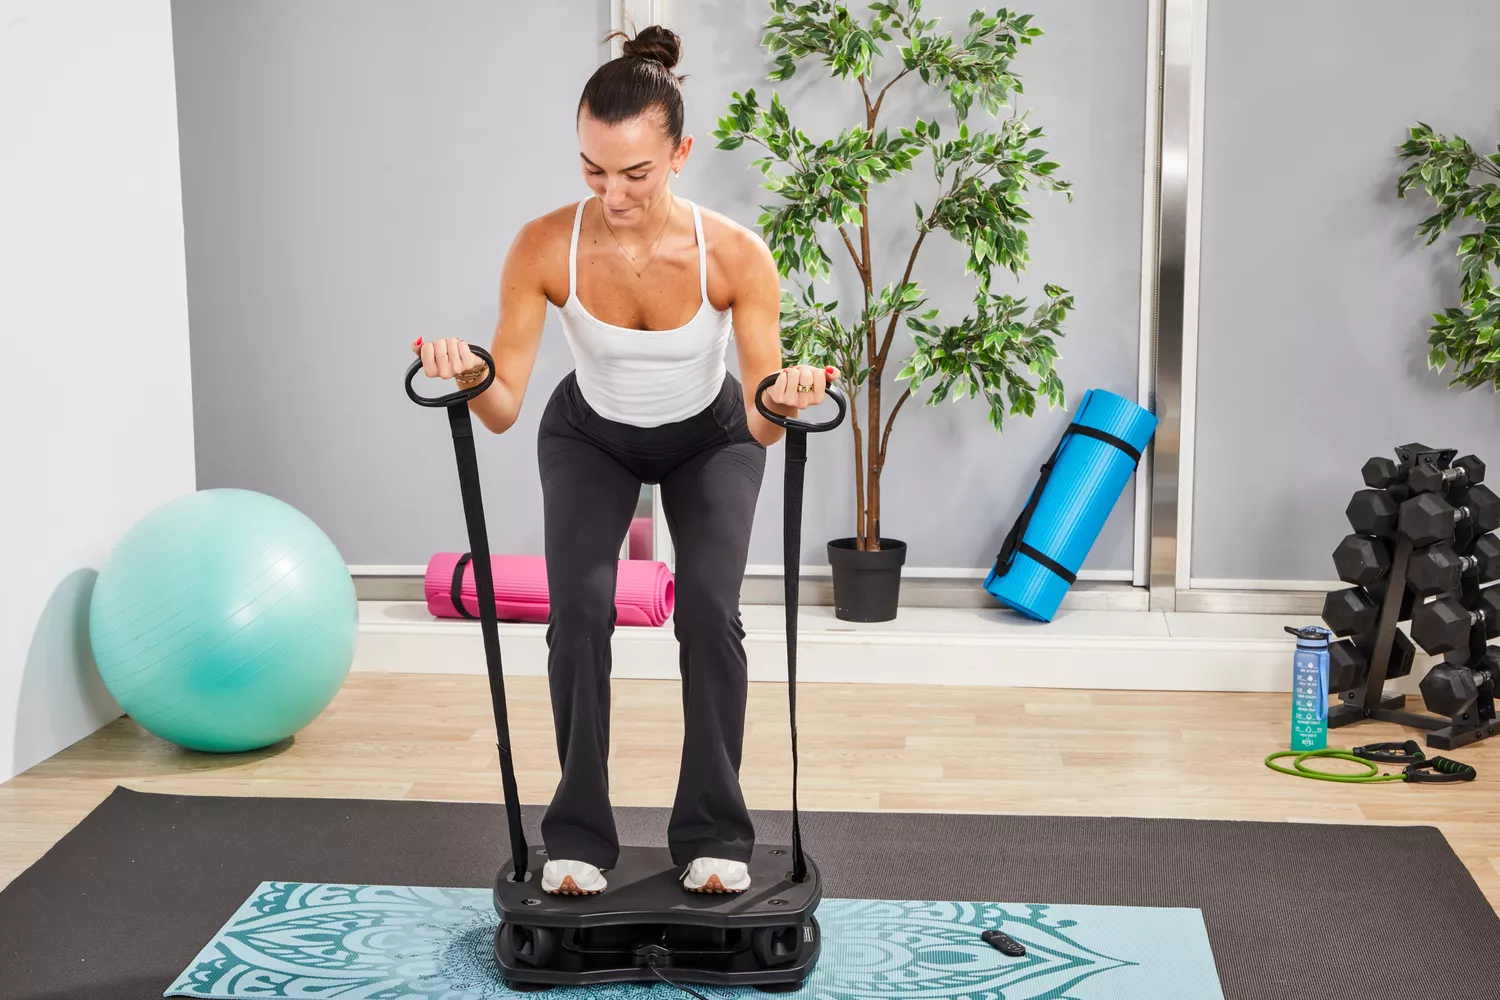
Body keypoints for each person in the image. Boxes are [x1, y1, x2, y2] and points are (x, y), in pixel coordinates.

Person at [411, 25, 837, 897]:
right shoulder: (543, 247)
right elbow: (501, 410)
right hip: (591, 435)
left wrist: (784, 400)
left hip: (711, 435)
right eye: (593, 169)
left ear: (680, 153)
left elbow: (759, 421)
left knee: (710, 614)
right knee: (579, 613)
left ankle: (716, 835)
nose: (613, 193)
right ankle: (576, 835)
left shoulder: (734, 254)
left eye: (635, 173)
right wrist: (464, 373)